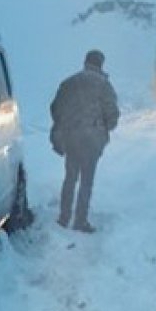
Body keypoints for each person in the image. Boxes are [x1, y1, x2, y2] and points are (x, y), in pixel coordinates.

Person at [50, 49, 119, 233]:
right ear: (100, 64)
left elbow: (55, 108)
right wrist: (105, 128)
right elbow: (112, 113)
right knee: (87, 180)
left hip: (71, 137)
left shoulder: (69, 82)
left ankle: (64, 218)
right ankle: (80, 220)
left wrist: (65, 126)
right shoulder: (104, 85)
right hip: (93, 140)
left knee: (70, 177)